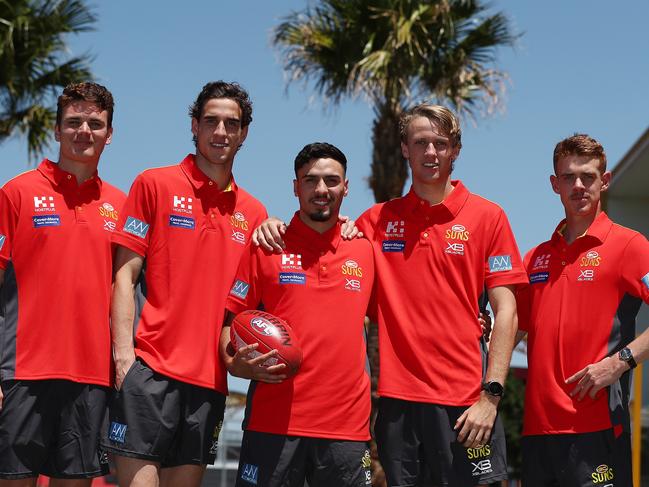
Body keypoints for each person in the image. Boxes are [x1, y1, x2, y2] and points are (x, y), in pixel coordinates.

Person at [254, 103, 527, 486]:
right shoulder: (373, 222)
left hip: (467, 402)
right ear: (404, 149)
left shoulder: (488, 216)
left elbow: (506, 310)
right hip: (398, 404)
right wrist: (272, 225)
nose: (430, 152)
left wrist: (491, 397)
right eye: (420, 142)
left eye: (440, 143)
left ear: (456, 150)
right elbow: (322, 241)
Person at [101, 81, 267, 487]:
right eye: (211, 120)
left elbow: (245, 307)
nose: (221, 131)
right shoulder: (154, 183)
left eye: (232, 123)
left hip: (210, 385)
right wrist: (124, 358)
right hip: (150, 372)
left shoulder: (255, 212)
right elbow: (124, 275)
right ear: (194, 125)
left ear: (244, 133)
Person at [221, 142, 374, 487]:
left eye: (332, 180)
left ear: (346, 187)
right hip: (272, 423)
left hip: (346, 428)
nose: (322, 189)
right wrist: (234, 364)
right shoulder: (266, 246)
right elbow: (231, 322)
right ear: (295, 186)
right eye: (311, 180)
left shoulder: (366, 250)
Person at [0, 82, 124, 485]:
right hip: (23, 373)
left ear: (110, 133)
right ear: (56, 130)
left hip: (92, 377)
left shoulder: (121, 207)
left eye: (95, 123)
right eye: (73, 122)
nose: (83, 131)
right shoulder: (16, 193)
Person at [515, 134, 649, 487]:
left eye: (587, 177)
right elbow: (512, 330)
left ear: (604, 182)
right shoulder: (535, 257)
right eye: (568, 177)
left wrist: (620, 361)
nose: (578, 186)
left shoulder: (629, 245)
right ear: (554, 184)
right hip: (537, 431)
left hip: (598, 427)